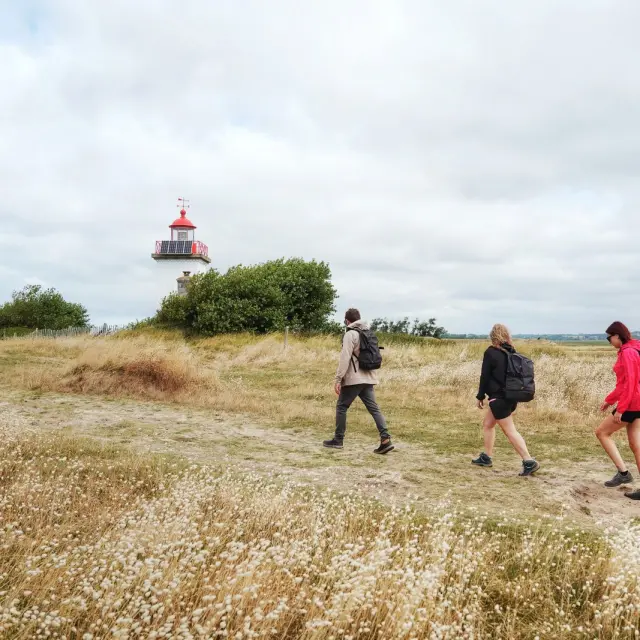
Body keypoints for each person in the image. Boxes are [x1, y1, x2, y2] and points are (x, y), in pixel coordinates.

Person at [472, 323, 540, 476]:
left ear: (492, 337)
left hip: (499, 399)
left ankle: (528, 461)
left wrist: (480, 396)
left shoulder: (491, 352)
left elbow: (485, 376)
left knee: (510, 431)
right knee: (488, 424)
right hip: (510, 397)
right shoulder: (510, 352)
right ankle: (487, 457)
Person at [323, 308, 393, 454]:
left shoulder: (350, 334)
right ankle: (385, 439)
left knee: (342, 407)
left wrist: (338, 379)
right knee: (374, 409)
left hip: (354, 378)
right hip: (369, 377)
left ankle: (338, 439)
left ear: (347, 321)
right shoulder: (368, 333)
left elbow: (345, 358)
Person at [595, 321, 640, 499]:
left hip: (632, 403)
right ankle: (624, 474)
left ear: (617, 336)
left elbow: (629, 383)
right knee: (636, 445)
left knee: (601, 433)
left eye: (609, 337)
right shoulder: (635, 348)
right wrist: (609, 400)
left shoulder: (628, 353)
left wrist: (620, 408)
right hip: (638, 401)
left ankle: (623, 473)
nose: (609, 341)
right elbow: (624, 384)